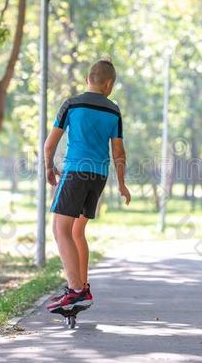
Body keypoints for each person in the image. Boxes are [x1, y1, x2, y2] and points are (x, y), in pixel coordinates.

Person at [44, 59, 131, 313]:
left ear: (87, 80)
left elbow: (49, 145)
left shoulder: (71, 104)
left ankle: (75, 291)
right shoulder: (114, 111)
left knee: (60, 229)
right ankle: (84, 287)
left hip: (75, 172)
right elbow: (118, 150)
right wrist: (122, 183)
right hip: (99, 176)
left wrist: (49, 167)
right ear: (109, 84)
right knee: (76, 231)